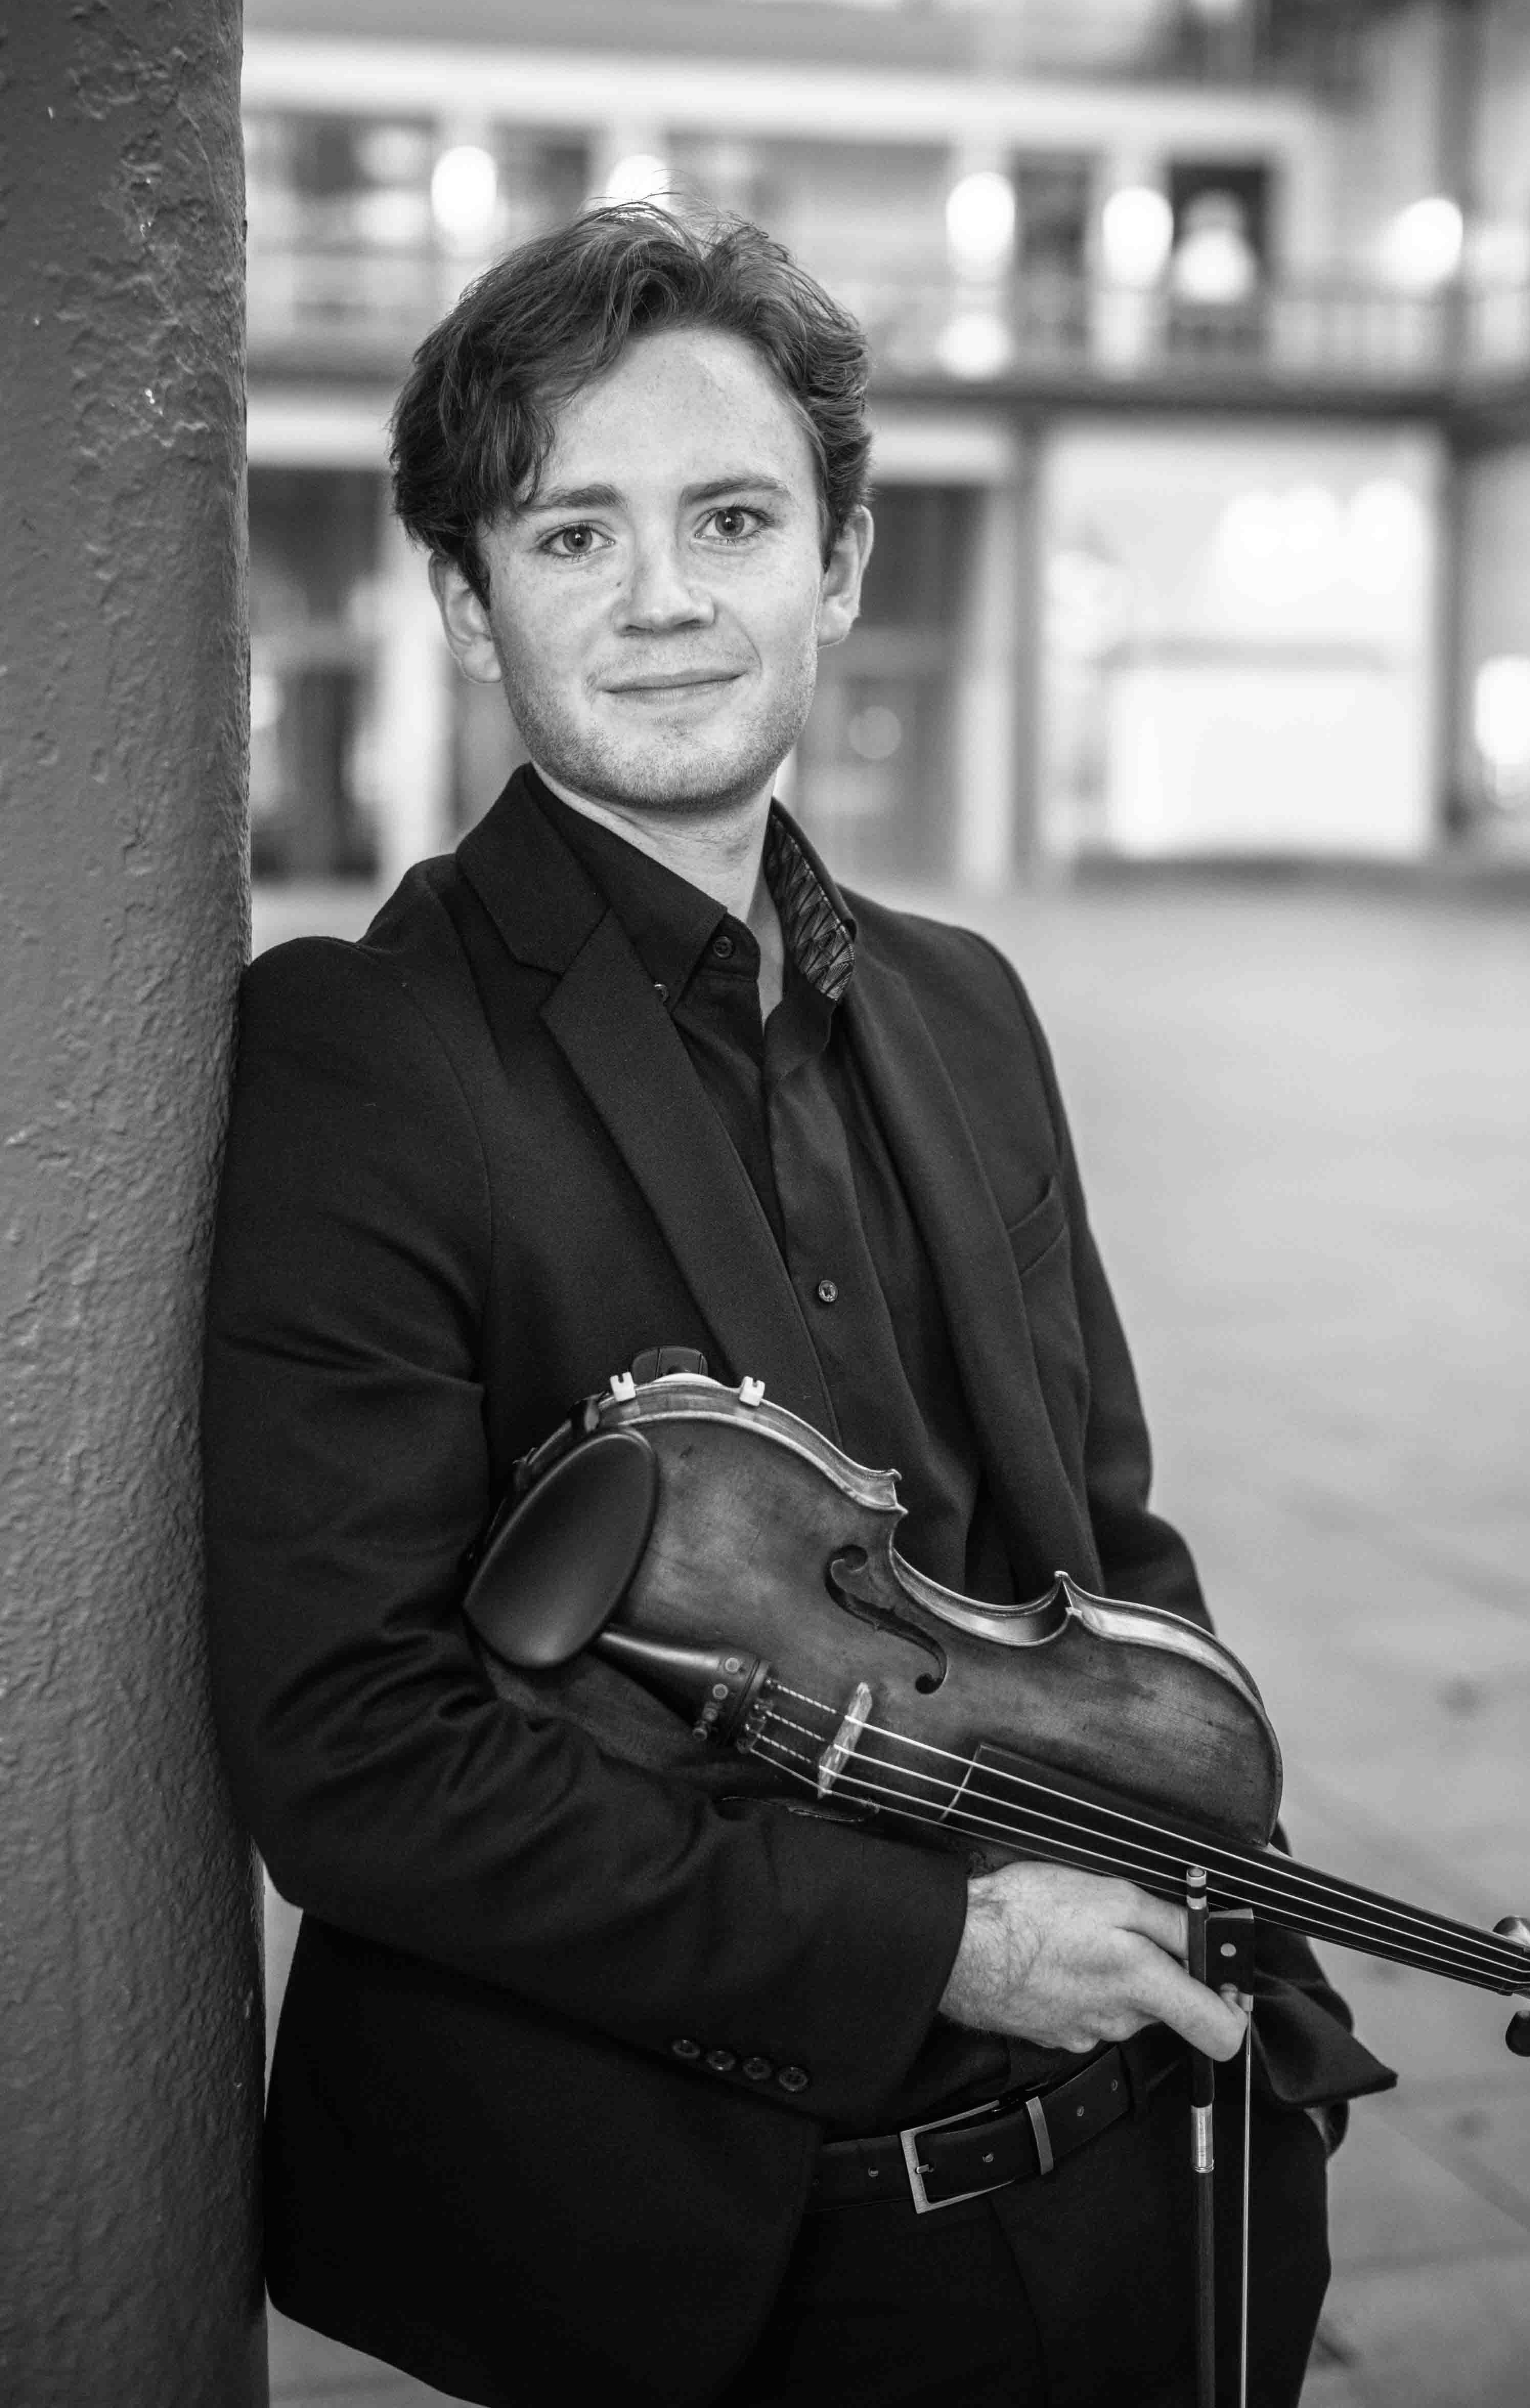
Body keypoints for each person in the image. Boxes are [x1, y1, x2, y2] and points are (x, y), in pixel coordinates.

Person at [202, 205, 1392, 2408]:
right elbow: (351, 1747)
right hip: (746, 2260)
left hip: (1147, 2173)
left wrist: (1258, 1994)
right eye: (574, 534)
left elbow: (1105, 1563)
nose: (665, 598)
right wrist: (943, 1943)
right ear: (468, 601)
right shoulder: (365, 1057)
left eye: (732, 516)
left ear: (837, 562)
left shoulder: (967, 1004)